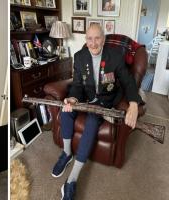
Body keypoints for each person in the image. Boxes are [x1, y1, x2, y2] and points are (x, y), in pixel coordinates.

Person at [51, 24, 143, 200]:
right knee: (65, 111)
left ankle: (71, 180)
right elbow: (77, 85)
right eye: (89, 38)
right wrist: (72, 100)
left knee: (93, 121)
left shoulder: (115, 56)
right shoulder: (79, 57)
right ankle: (67, 153)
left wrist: (133, 104)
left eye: (97, 38)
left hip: (106, 102)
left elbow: (128, 81)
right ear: (86, 40)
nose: (93, 43)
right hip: (86, 99)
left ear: (103, 38)